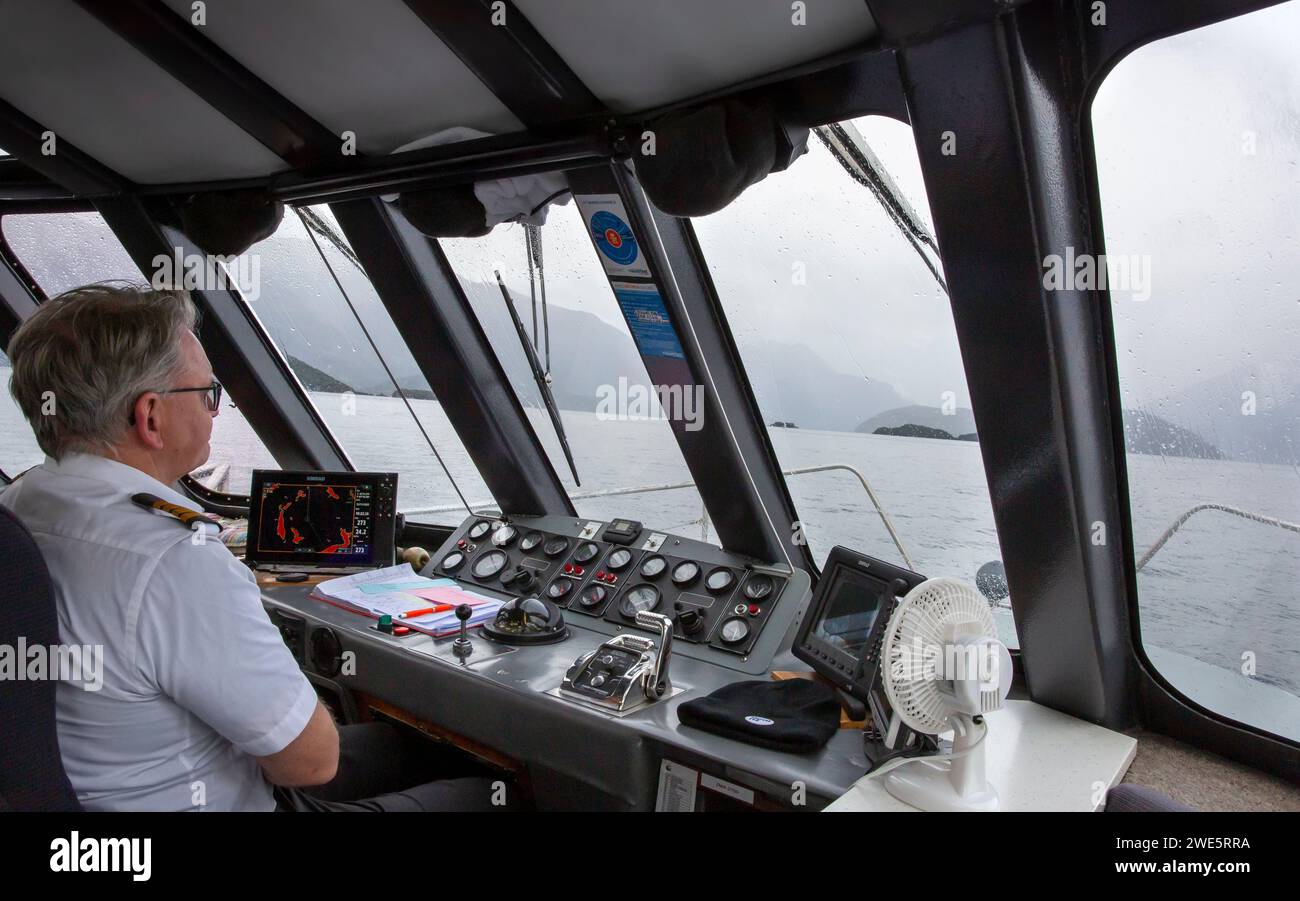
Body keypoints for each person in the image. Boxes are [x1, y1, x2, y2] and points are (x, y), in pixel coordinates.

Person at [1, 283, 510, 812]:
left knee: (400, 746)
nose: (214, 411)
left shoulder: (19, 506)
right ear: (151, 417)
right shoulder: (173, 559)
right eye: (206, 394)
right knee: (489, 795)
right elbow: (311, 763)